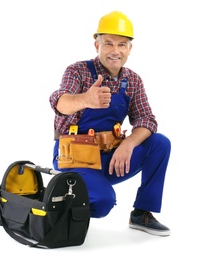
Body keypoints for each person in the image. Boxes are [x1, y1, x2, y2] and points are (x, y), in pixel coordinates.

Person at [49, 10, 171, 236]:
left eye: (122, 45)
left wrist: (128, 144)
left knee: (160, 143)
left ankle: (141, 214)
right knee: (103, 203)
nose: (115, 51)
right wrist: (86, 99)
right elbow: (60, 102)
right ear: (96, 45)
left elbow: (147, 119)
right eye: (108, 44)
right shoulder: (77, 71)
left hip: (111, 157)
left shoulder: (132, 80)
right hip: (74, 157)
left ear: (130, 49)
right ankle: (63, 197)